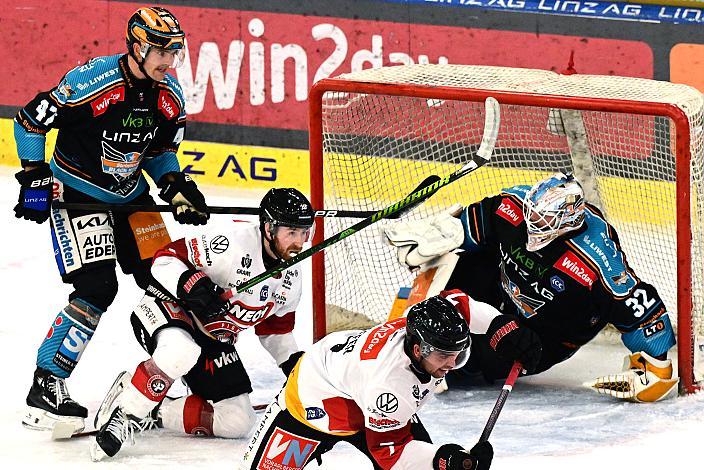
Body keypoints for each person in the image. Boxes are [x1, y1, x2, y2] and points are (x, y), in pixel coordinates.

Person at [15, 6, 211, 433]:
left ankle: (173, 377)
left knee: (167, 276)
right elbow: (29, 121)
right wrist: (33, 177)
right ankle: (47, 385)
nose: (169, 61)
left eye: (175, 52)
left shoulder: (169, 93)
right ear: (138, 45)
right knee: (97, 287)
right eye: (161, 51)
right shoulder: (93, 81)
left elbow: (159, 153)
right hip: (78, 195)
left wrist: (177, 187)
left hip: (131, 194)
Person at [384, 172, 678, 403]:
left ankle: (439, 365)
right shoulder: (517, 206)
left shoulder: (596, 262)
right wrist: (441, 234)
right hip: (504, 291)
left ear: (568, 222)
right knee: (456, 256)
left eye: (543, 220)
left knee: (465, 362)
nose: (533, 223)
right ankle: (408, 328)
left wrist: (656, 369)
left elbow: (643, 311)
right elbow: (475, 222)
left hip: (544, 335)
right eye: (532, 215)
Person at [89, 187, 315, 460]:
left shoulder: (292, 277)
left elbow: (274, 330)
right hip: (168, 308)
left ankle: (151, 405)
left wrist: (292, 363)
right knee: (180, 352)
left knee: (237, 421)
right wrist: (192, 286)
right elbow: (165, 258)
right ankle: (125, 413)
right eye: (291, 233)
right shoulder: (232, 245)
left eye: (304, 233)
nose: (299, 242)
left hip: (213, 337)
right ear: (269, 228)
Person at [239, 291, 541, 470]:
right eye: (443, 356)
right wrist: (446, 459)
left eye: (457, 354)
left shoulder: (420, 322)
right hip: (313, 402)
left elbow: (459, 303)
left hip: (356, 383)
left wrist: (502, 327)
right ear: (417, 348)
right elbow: (389, 454)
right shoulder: (390, 386)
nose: (451, 365)